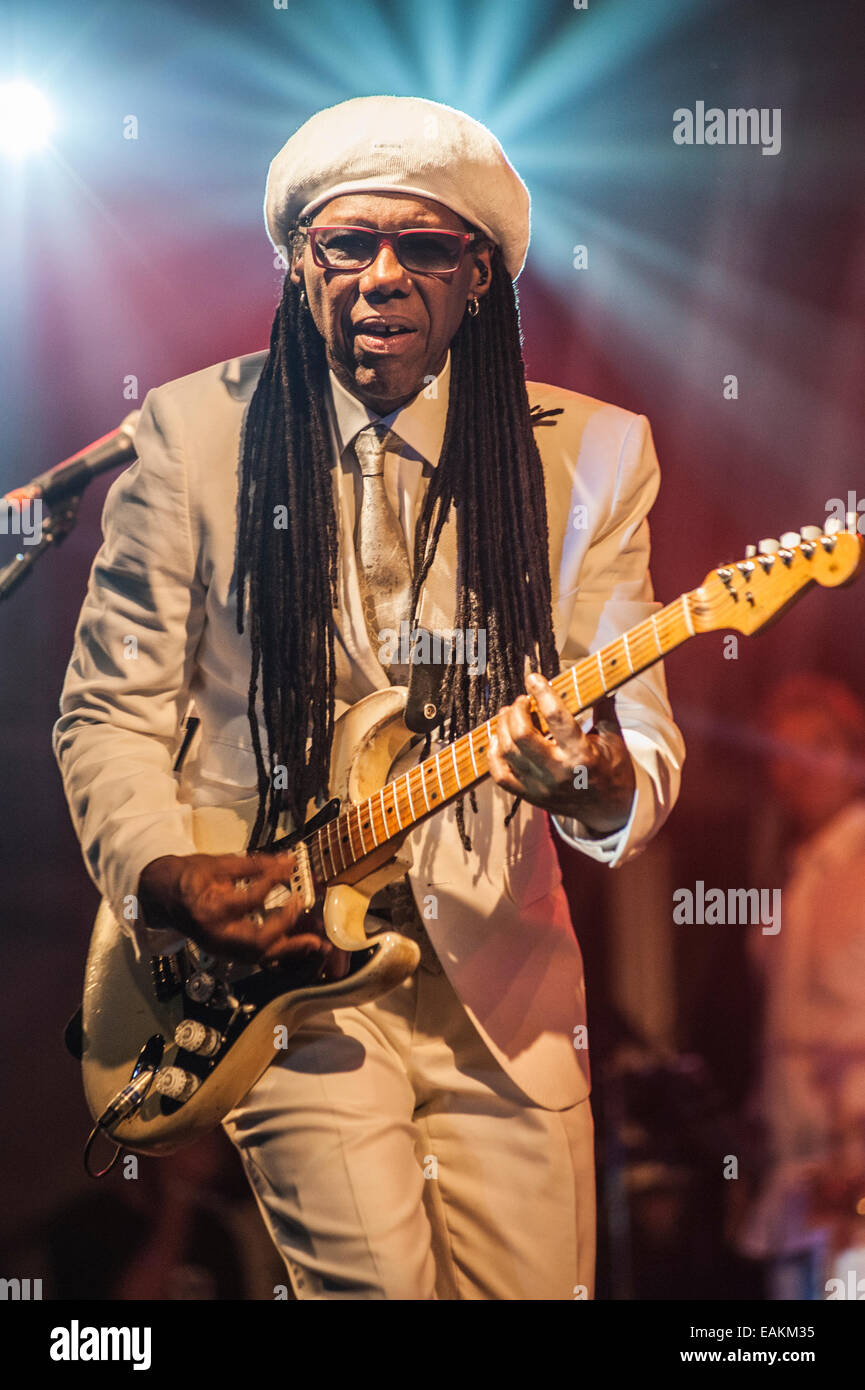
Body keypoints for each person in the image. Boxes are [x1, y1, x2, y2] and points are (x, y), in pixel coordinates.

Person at [53, 95, 685, 1300]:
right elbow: (110, 710)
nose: (381, 275)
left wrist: (594, 779)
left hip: (505, 982)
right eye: (348, 244)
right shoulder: (190, 435)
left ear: (480, 277)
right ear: (300, 265)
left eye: (426, 246)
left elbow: (636, 740)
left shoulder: (595, 455)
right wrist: (159, 874)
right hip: (281, 976)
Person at [737, 673, 865, 1299]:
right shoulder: (793, 874)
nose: (798, 769)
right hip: (794, 1170)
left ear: (853, 753)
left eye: (815, 746)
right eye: (781, 754)